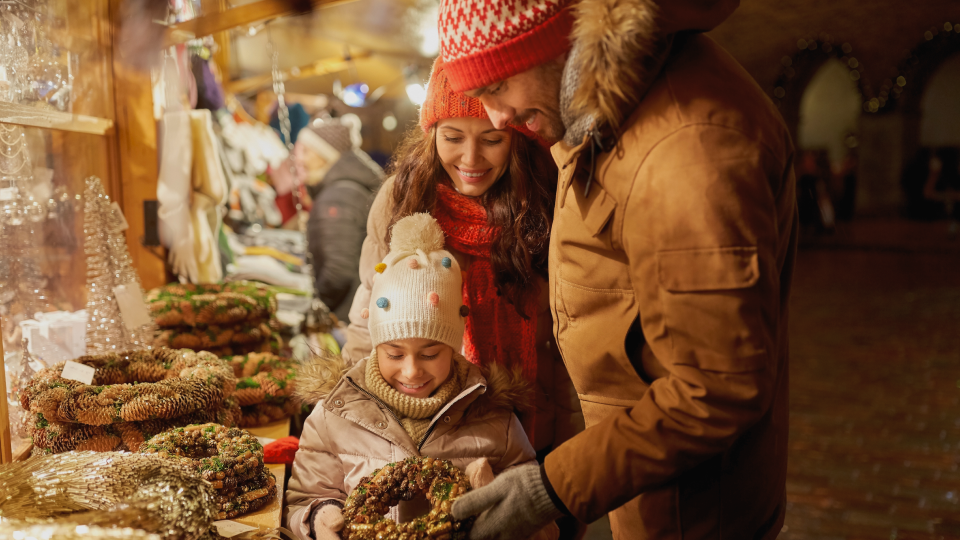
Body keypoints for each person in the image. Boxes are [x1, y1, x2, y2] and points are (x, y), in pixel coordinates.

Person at [436, 0, 799, 538]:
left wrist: (552, 485)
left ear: (555, 46)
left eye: (498, 87)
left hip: (693, 507)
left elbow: (715, 387)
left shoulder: (684, 152)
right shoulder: (603, 107)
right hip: (649, 475)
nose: (498, 117)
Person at [341, 59, 583, 457]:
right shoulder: (402, 199)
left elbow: (566, 342)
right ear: (432, 133)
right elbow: (371, 315)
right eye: (453, 137)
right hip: (430, 424)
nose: (471, 159)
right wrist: (357, 416)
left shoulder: (546, 202)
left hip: (535, 418)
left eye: (491, 140)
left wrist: (570, 453)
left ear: (516, 138)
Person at [285, 213, 557, 540]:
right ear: (376, 346)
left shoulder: (496, 419)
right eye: (394, 354)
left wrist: (496, 500)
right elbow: (303, 498)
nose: (412, 370)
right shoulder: (335, 415)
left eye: (430, 354)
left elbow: (545, 525)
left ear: (455, 348)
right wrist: (319, 517)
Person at [300, 119, 384, 327]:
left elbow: (338, 270)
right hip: (358, 310)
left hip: (347, 317)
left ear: (324, 155)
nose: (301, 160)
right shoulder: (347, 187)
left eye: (307, 152)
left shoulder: (339, 196)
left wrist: (319, 307)